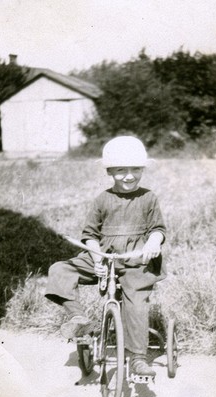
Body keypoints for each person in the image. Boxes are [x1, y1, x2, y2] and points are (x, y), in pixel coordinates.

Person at [45, 136, 167, 376]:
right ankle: (79, 317)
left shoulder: (148, 198)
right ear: (110, 171)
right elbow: (89, 234)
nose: (129, 176)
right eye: (121, 170)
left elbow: (158, 229)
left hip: (136, 260)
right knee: (60, 269)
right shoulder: (102, 199)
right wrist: (98, 260)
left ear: (142, 169)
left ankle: (138, 358)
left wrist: (154, 242)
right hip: (103, 255)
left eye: (135, 169)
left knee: (136, 303)